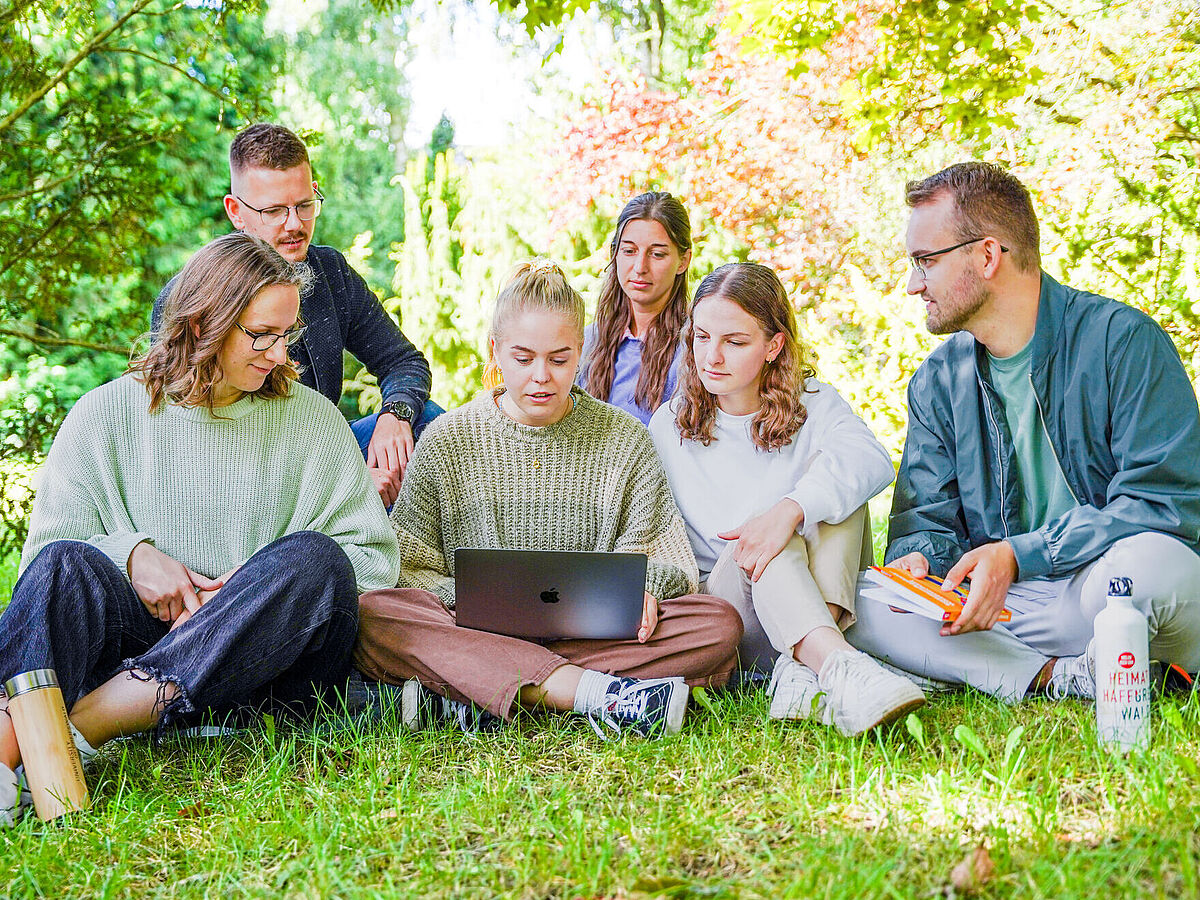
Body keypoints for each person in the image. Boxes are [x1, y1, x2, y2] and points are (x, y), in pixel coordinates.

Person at [0, 233, 401, 825]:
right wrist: (133, 557)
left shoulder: (313, 420)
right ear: (204, 323)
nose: (278, 354)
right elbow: (46, 558)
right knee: (64, 564)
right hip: (140, 640)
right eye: (260, 335)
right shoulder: (106, 413)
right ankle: (10, 756)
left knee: (315, 562)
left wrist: (248, 590)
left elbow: (370, 559)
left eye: (286, 335)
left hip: (263, 671)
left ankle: (72, 734)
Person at [845, 161, 1200, 702]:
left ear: (987, 256)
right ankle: (1059, 678)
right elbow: (924, 518)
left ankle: (995, 666)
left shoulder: (1124, 342)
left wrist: (1020, 554)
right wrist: (918, 561)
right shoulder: (939, 381)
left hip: (1103, 590)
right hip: (1011, 608)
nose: (913, 284)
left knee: (1150, 568)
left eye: (925, 261)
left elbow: (1164, 506)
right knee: (863, 601)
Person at [353, 260, 743, 738]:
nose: (542, 376)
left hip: (592, 633)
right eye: (523, 358)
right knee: (374, 612)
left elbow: (668, 559)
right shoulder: (448, 439)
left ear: (581, 350)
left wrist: (642, 594)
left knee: (717, 623)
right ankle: (596, 694)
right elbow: (406, 565)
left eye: (559, 359)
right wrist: (473, 603)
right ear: (495, 351)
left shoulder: (624, 438)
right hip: (473, 628)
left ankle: (470, 688)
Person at [649, 262, 924, 735]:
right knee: (766, 537)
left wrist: (790, 510)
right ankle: (842, 667)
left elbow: (873, 462)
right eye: (700, 337)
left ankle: (804, 672)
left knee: (836, 490)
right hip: (732, 614)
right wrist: (776, 523)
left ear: (774, 346)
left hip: (805, 602)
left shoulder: (813, 402)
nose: (711, 356)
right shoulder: (668, 425)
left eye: (734, 342)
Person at [154, 123, 438, 507]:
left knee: (431, 425)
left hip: (323, 448)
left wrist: (395, 414)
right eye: (273, 210)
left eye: (305, 205)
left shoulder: (330, 273)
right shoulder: (192, 297)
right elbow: (178, 440)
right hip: (236, 477)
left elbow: (404, 361)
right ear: (235, 211)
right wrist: (346, 487)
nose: (294, 224)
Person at [579, 191, 692, 424]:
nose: (640, 267)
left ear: (683, 261)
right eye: (629, 251)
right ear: (615, 254)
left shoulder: (694, 348)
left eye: (657, 254)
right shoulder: (586, 342)